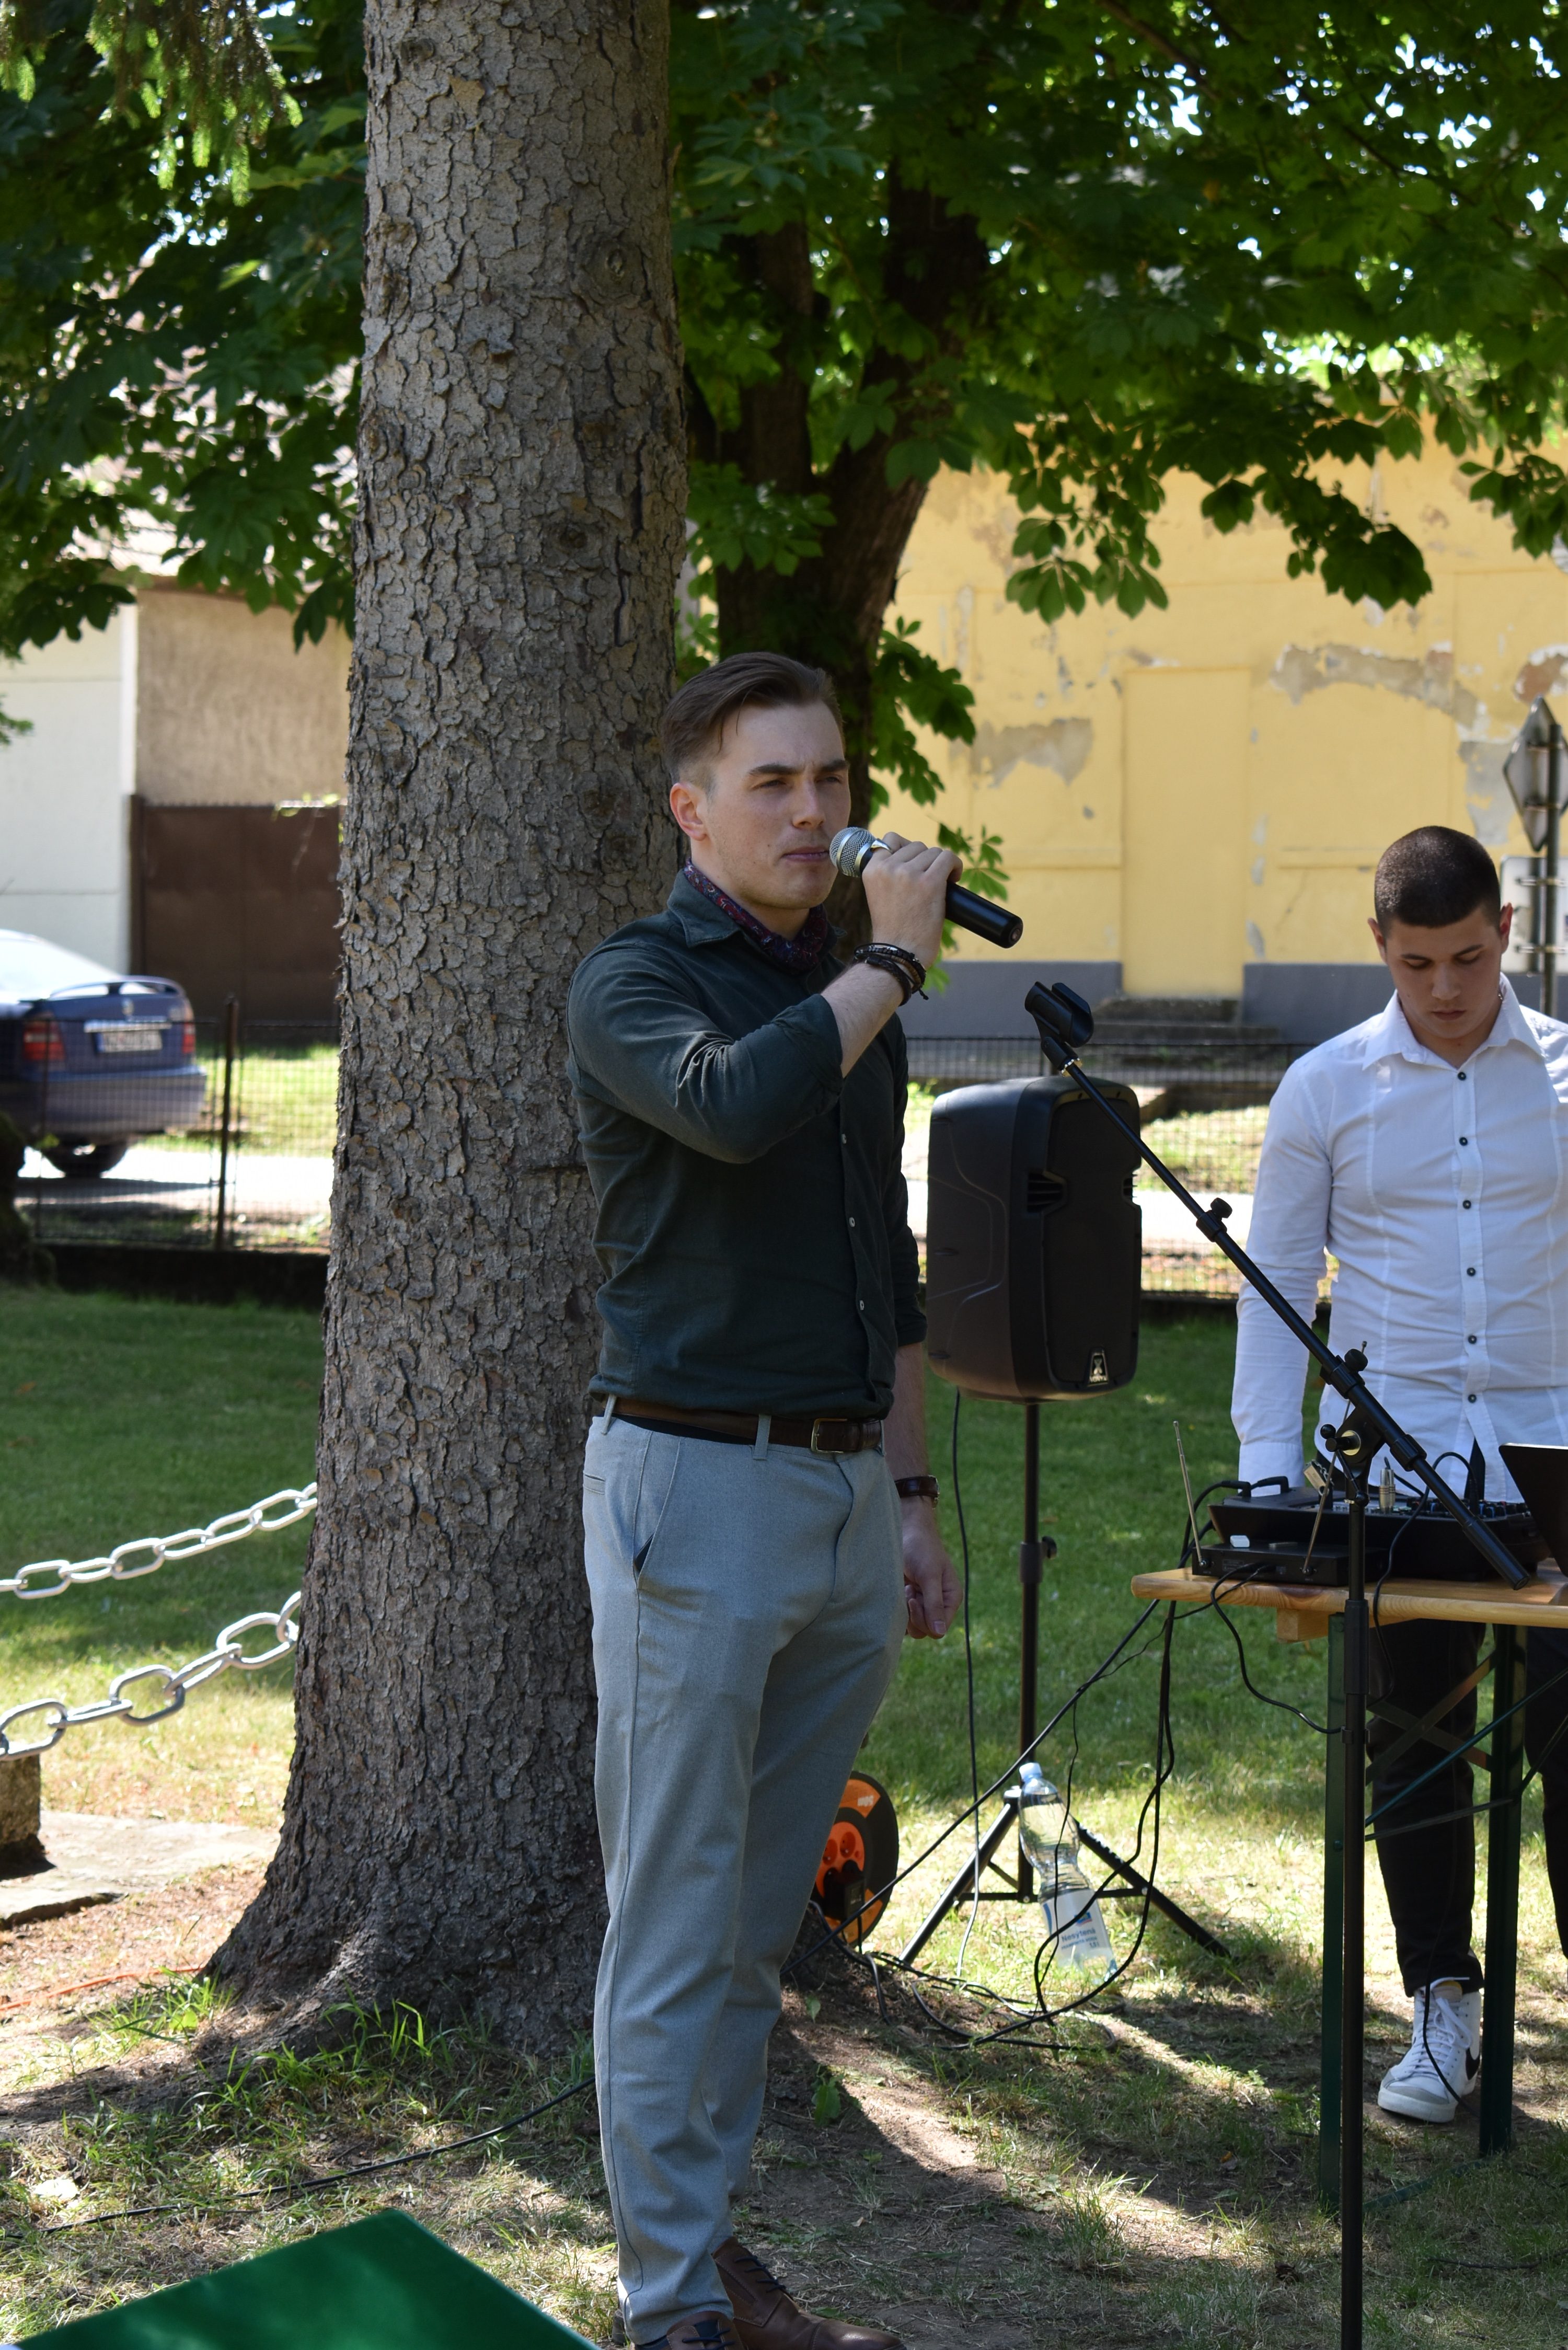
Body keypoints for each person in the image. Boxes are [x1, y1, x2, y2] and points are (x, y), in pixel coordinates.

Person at [567, 651, 961, 2350]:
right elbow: (732, 1109)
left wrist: (914, 1489)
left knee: (750, 1930)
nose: (815, 812)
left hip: (843, 1492)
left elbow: (888, 1256)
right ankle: (668, 2312)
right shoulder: (636, 979)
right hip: (694, 1485)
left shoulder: (847, 999)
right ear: (693, 810)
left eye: (832, 780)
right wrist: (890, 958)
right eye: (773, 784)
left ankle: (704, 2257)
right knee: (674, 1921)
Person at [1233, 824, 1568, 2125]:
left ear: (1507, 933)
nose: (1445, 987)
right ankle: (1445, 2008)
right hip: (1397, 1471)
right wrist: (1270, 1482)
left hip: (1552, 1458)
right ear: (1379, 944)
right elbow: (1274, 1288)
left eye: (1470, 958)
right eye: (1418, 962)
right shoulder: (1323, 1088)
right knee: (1414, 1738)